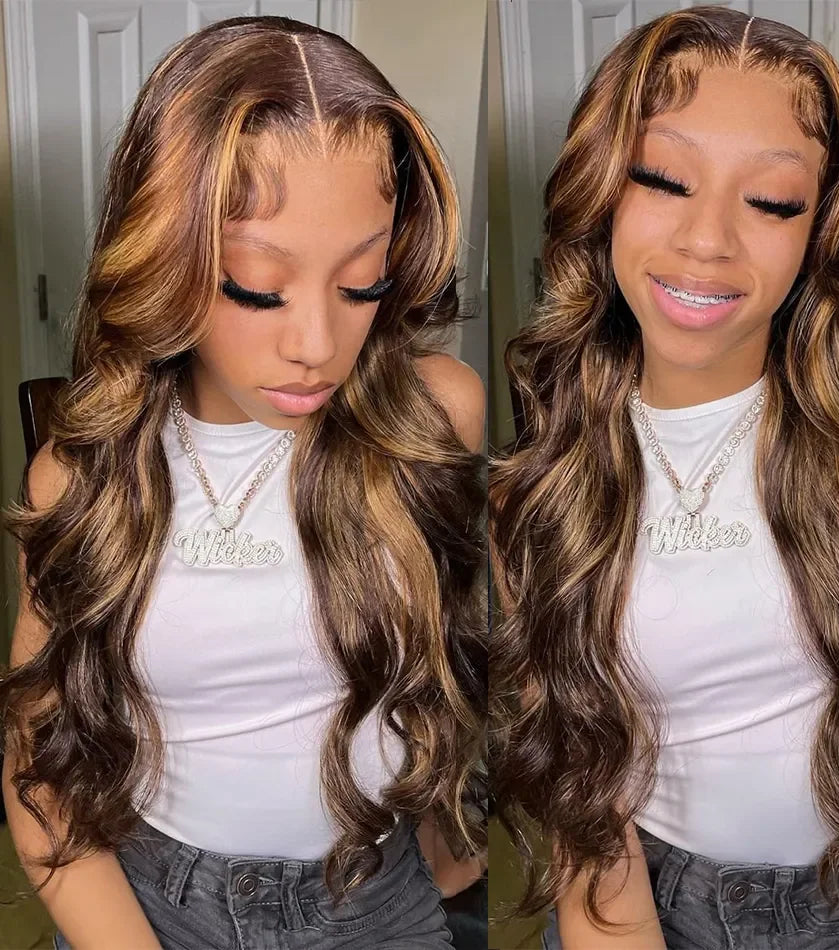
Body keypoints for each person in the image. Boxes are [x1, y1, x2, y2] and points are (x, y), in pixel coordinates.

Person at [1, 16, 486, 950]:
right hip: (149, 902)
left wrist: (447, 833)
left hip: (372, 900)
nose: (316, 345)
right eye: (260, 287)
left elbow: (464, 658)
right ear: (166, 258)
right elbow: (41, 770)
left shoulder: (436, 420)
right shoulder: (82, 475)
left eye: (361, 283)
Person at [490, 6, 839, 949]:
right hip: (662, 904)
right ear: (602, 193)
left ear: (820, 227)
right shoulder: (538, 486)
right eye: (663, 180)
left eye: (772, 202)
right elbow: (583, 802)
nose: (708, 241)